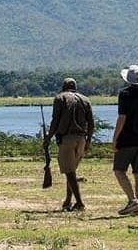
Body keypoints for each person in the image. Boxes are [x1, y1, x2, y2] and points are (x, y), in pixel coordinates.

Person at [46, 76, 94, 211]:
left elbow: (55, 120)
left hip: (67, 139)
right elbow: (91, 123)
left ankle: (79, 202)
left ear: (63, 87)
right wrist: (88, 140)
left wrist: (49, 137)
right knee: (71, 170)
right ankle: (68, 200)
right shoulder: (85, 99)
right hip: (81, 139)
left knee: (69, 172)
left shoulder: (60, 98)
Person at [111, 63, 138, 216]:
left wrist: (115, 138)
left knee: (119, 170)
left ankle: (133, 200)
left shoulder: (124, 94)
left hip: (126, 138)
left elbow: (122, 118)